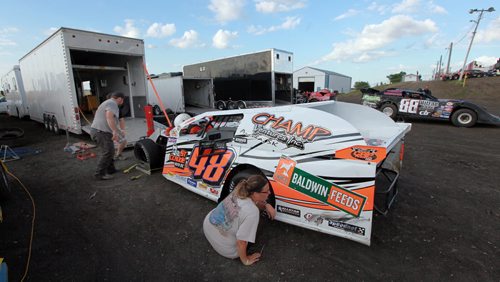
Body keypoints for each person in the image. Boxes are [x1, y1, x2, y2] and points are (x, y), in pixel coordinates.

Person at [203, 175, 276, 266]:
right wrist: (246, 260)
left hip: (208, 225)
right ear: (254, 193)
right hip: (226, 248)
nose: (269, 193)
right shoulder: (252, 212)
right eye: (266, 192)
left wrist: (266, 205)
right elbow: (241, 242)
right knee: (260, 222)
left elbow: (251, 203)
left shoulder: (240, 189)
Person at [90, 92, 125, 180]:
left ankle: (111, 169)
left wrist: (116, 131)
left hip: (100, 131)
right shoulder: (112, 103)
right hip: (100, 132)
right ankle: (99, 174)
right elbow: (109, 117)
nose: (123, 101)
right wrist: (114, 131)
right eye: (123, 100)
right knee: (108, 152)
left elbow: (113, 119)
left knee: (110, 151)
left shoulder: (108, 102)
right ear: (120, 99)